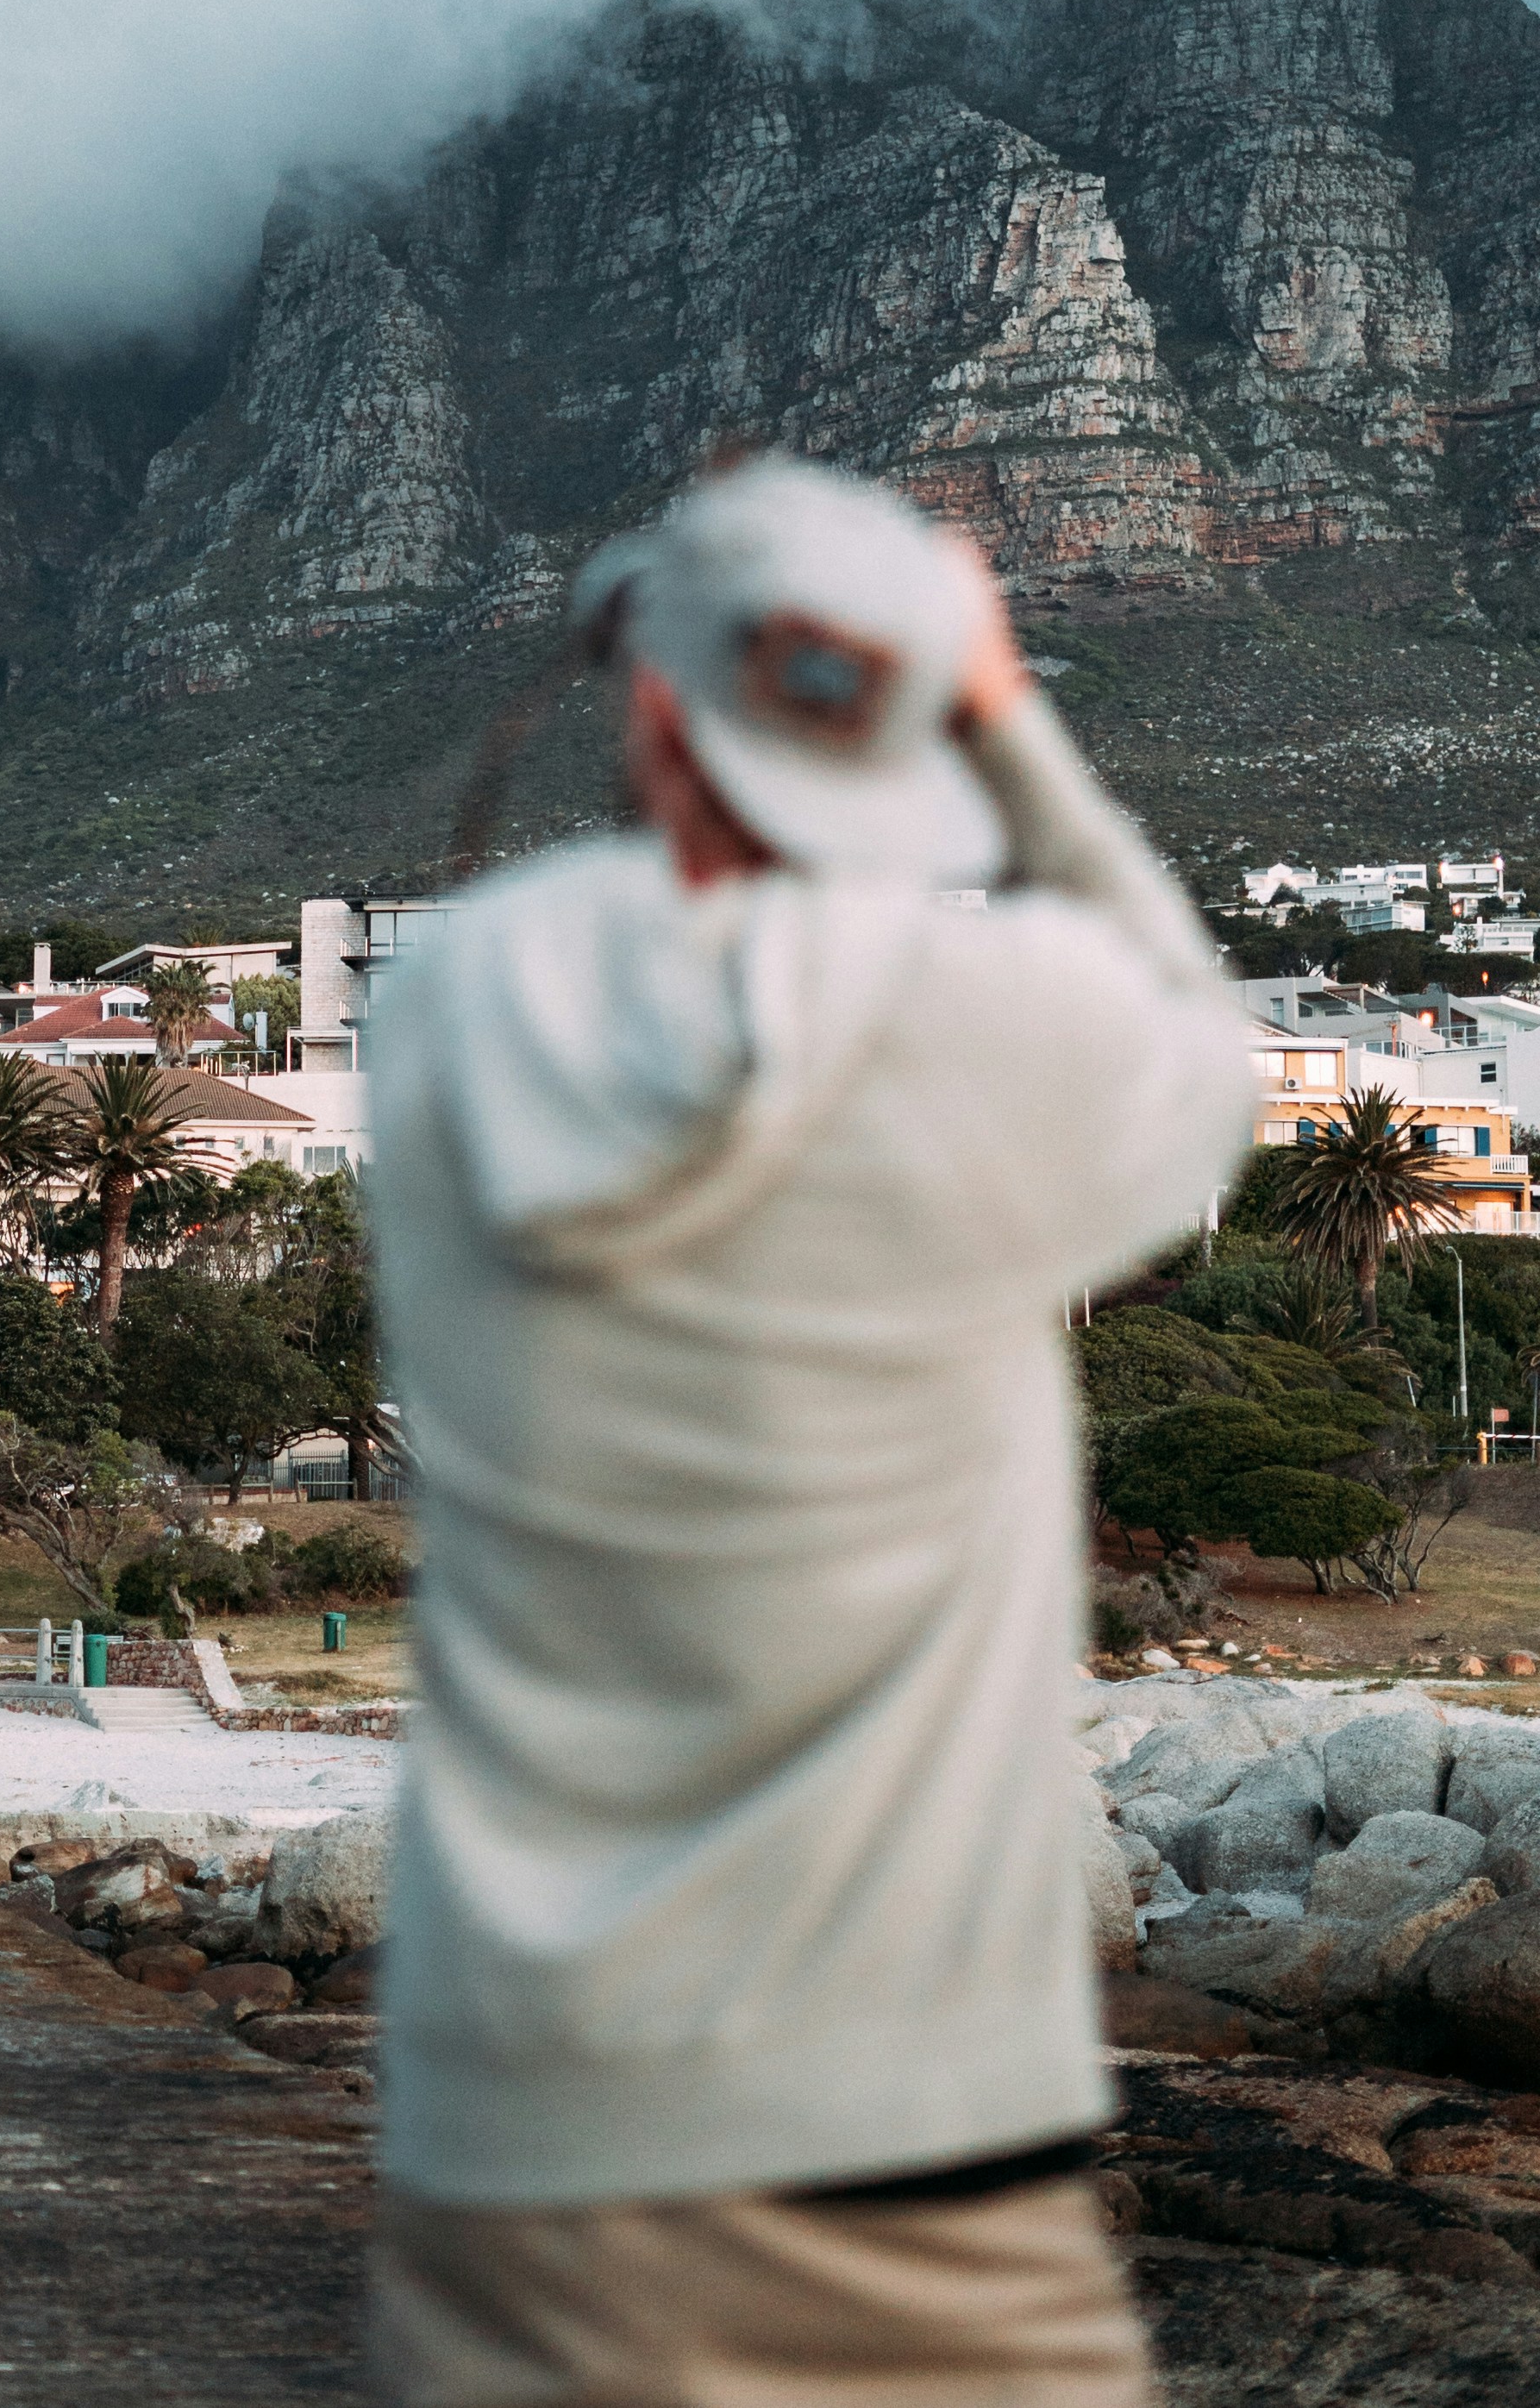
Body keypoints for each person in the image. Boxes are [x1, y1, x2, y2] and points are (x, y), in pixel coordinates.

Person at [365, 455, 1254, 2408]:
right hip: (915, 2120)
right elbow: (1200, 1044)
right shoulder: (1003, 1024)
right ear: (916, 742)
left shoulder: (441, 1012)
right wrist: (1004, 719)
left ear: (656, 706)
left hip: (522, 2128)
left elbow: (603, 925)